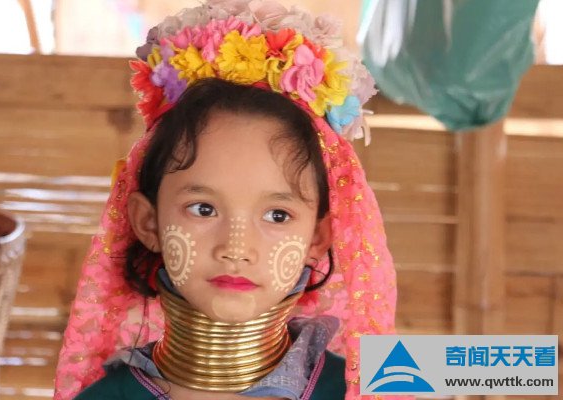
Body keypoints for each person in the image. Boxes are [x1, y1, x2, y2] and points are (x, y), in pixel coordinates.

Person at [54, 1, 404, 399]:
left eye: (277, 215)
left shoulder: (374, 384)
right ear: (149, 223)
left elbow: (465, 369)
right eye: (203, 209)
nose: (236, 248)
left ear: (318, 237)